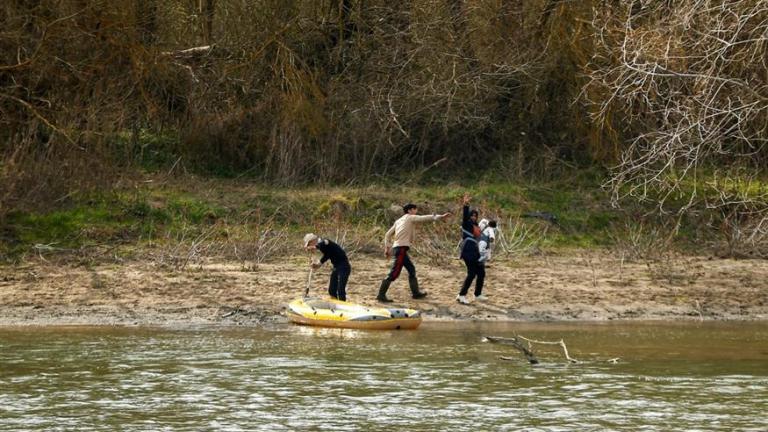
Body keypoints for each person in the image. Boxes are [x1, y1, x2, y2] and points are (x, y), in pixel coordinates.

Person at [377, 203, 451, 302]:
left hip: (399, 248)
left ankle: (416, 293)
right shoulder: (410, 217)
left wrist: (387, 248)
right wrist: (439, 217)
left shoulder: (398, 220)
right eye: (415, 210)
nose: (416, 211)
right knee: (394, 273)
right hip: (401, 248)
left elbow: (387, 235)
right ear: (410, 210)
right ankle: (381, 295)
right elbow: (423, 218)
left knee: (411, 269)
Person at [304, 233, 351, 302]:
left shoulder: (324, 241)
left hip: (344, 266)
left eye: (309, 244)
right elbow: (327, 255)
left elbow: (325, 242)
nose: (310, 246)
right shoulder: (322, 247)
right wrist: (318, 264)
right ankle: (335, 303)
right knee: (331, 290)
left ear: (312, 241)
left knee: (340, 289)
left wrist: (315, 247)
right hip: (336, 266)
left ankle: (342, 304)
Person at [457, 194, 482, 304]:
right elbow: (465, 215)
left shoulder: (476, 225)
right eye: (472, 215)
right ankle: (461, 295)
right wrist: (466, 204)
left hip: (475, 251)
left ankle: (478, 294)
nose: (473, 217)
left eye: (475, 216)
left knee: (481, 272)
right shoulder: (466, 223)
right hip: (468, 251)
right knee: (471, 273)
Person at [475, 218, 498, 301]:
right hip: (483, 243)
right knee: (483, 256)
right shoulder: (491, 229)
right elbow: (492, 236)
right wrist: (492, 239)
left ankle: (480, 262)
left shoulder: (484, 227)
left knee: (482, 254)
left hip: (479, 243)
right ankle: (480, 262)